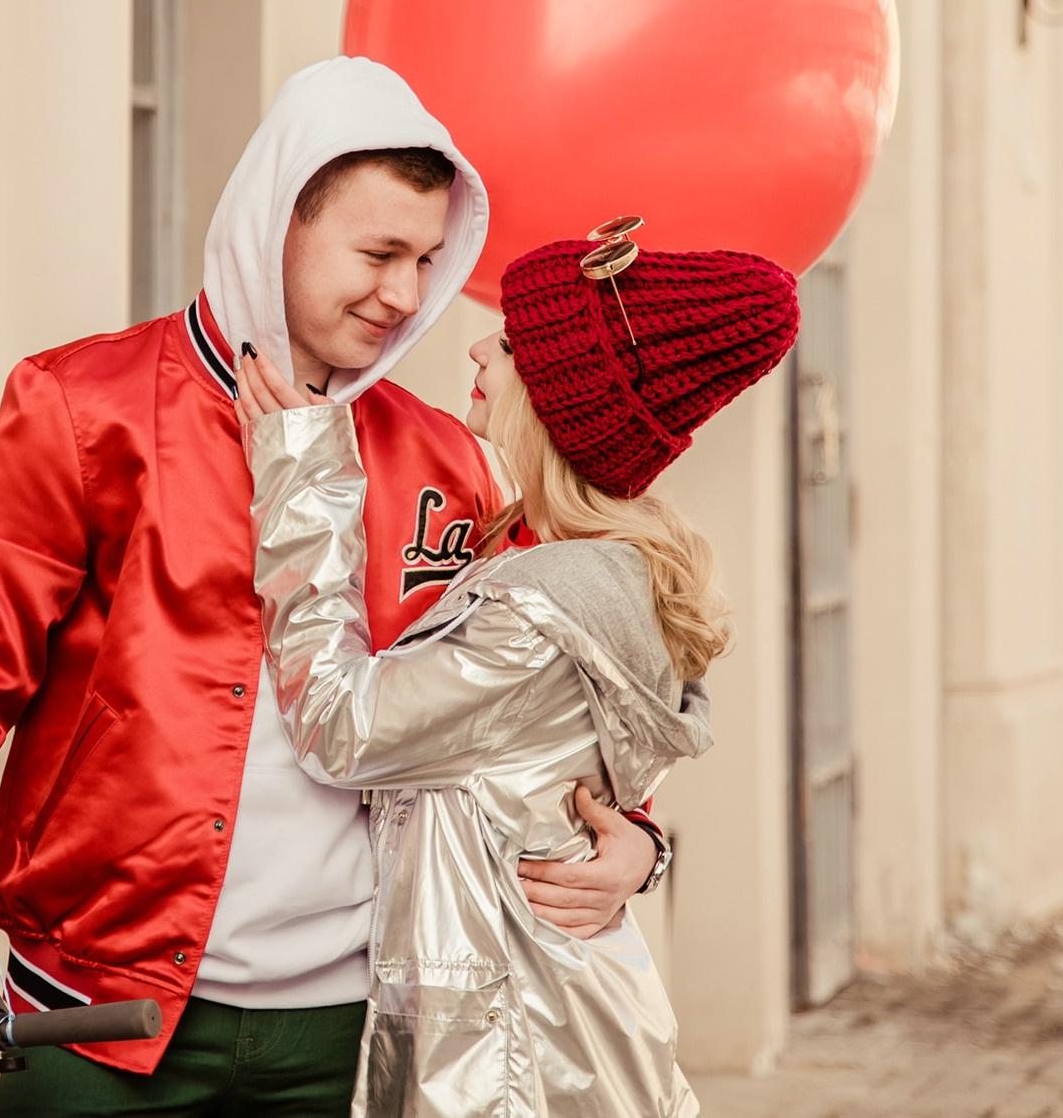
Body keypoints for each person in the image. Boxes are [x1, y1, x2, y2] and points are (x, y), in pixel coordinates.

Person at [0, 59, 667, 1112]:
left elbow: (564, 678)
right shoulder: (80, 410)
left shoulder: (450, 457)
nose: (406, 295)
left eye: (425, 259)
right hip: (96, 1020)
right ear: (277, 223)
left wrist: (637, 836)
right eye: (378, 253)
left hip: (365, 1033)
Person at [233, 236, 800, 1118]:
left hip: (512, 1063)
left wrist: (301, 480)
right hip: (551, 1031)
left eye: (506, 342)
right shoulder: (595, 575)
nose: (475, 347)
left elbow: (341, 726)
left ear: (556, 402)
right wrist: (644, 846)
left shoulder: (539, 614)